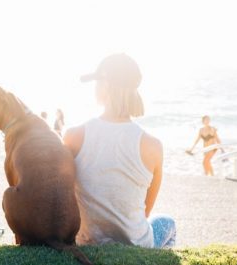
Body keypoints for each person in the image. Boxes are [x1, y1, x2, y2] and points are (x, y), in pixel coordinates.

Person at [64, 53, 176, 249]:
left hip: (87, 242)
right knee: (168, 223)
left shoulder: (74, 136)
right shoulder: (152, 146)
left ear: (105, 85)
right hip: (137, 245)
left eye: (97, 82)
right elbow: (145, 212)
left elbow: (65, 193)